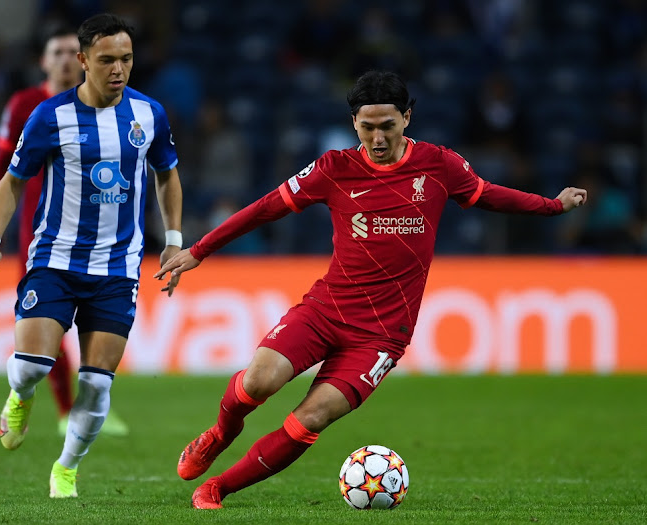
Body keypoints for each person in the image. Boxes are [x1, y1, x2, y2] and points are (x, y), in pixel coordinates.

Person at [154, 70, 587, 509]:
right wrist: (201, 249)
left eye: (387, 126)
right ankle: (222, 432)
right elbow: (266, 208)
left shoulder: (439, 165)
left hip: (382, 335)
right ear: (354, 124)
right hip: (326, 309)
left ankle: (216, 489)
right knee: (259, 380)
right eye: (367, 127)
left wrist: (553, 206)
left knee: (312, 416)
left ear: (407, 119)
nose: (377, 139)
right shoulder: (334, 168)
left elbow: (490, 195)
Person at [0, 13, 184, 498]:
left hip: (117, 270)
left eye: (127, 59)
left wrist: (173, 236)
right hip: (54, 259)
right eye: (108, 59)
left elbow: (167, 173)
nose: (119, 69)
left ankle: (65, 469)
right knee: (32, 366)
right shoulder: (50, 116)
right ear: (84, 60)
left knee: (97, 386)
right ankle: (21, 395)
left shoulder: (149, 114)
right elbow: (12, 181)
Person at [0, 25, 128, 438]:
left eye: (69, 51)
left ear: (81, 59)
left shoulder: (110, 108)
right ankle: (58, 406)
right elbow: (3, 168)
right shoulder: (28, 104)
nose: (64, 58)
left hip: (99, 240)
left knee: (92, 323)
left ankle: (82, 404)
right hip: (39, 231)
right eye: (56, 52)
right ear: (44, 62)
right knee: (49, 322)